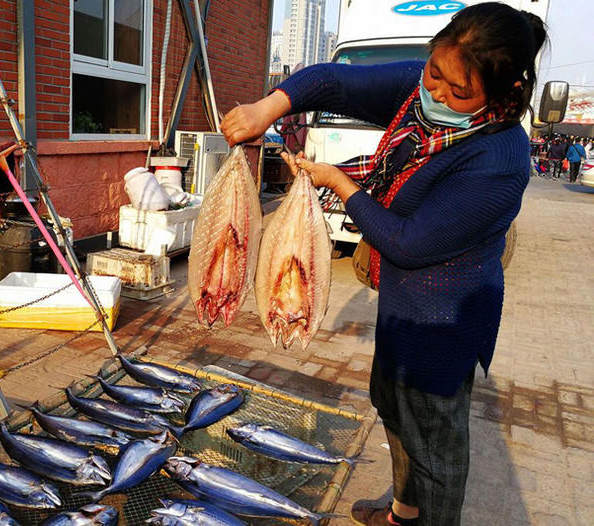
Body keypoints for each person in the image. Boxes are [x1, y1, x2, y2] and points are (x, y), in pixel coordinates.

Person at [220, 3, 545, 526]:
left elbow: (407, 244)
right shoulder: (419, 98)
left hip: (444, 322)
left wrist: (341, 185)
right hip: (401, 304)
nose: (437, 93)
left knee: (436, 445)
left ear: (503, 94)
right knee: (392, 408)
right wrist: (268, 108)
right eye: (434, 73)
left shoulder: (499, 160)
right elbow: (332, 80)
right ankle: (402, 513)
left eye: (458, 92)